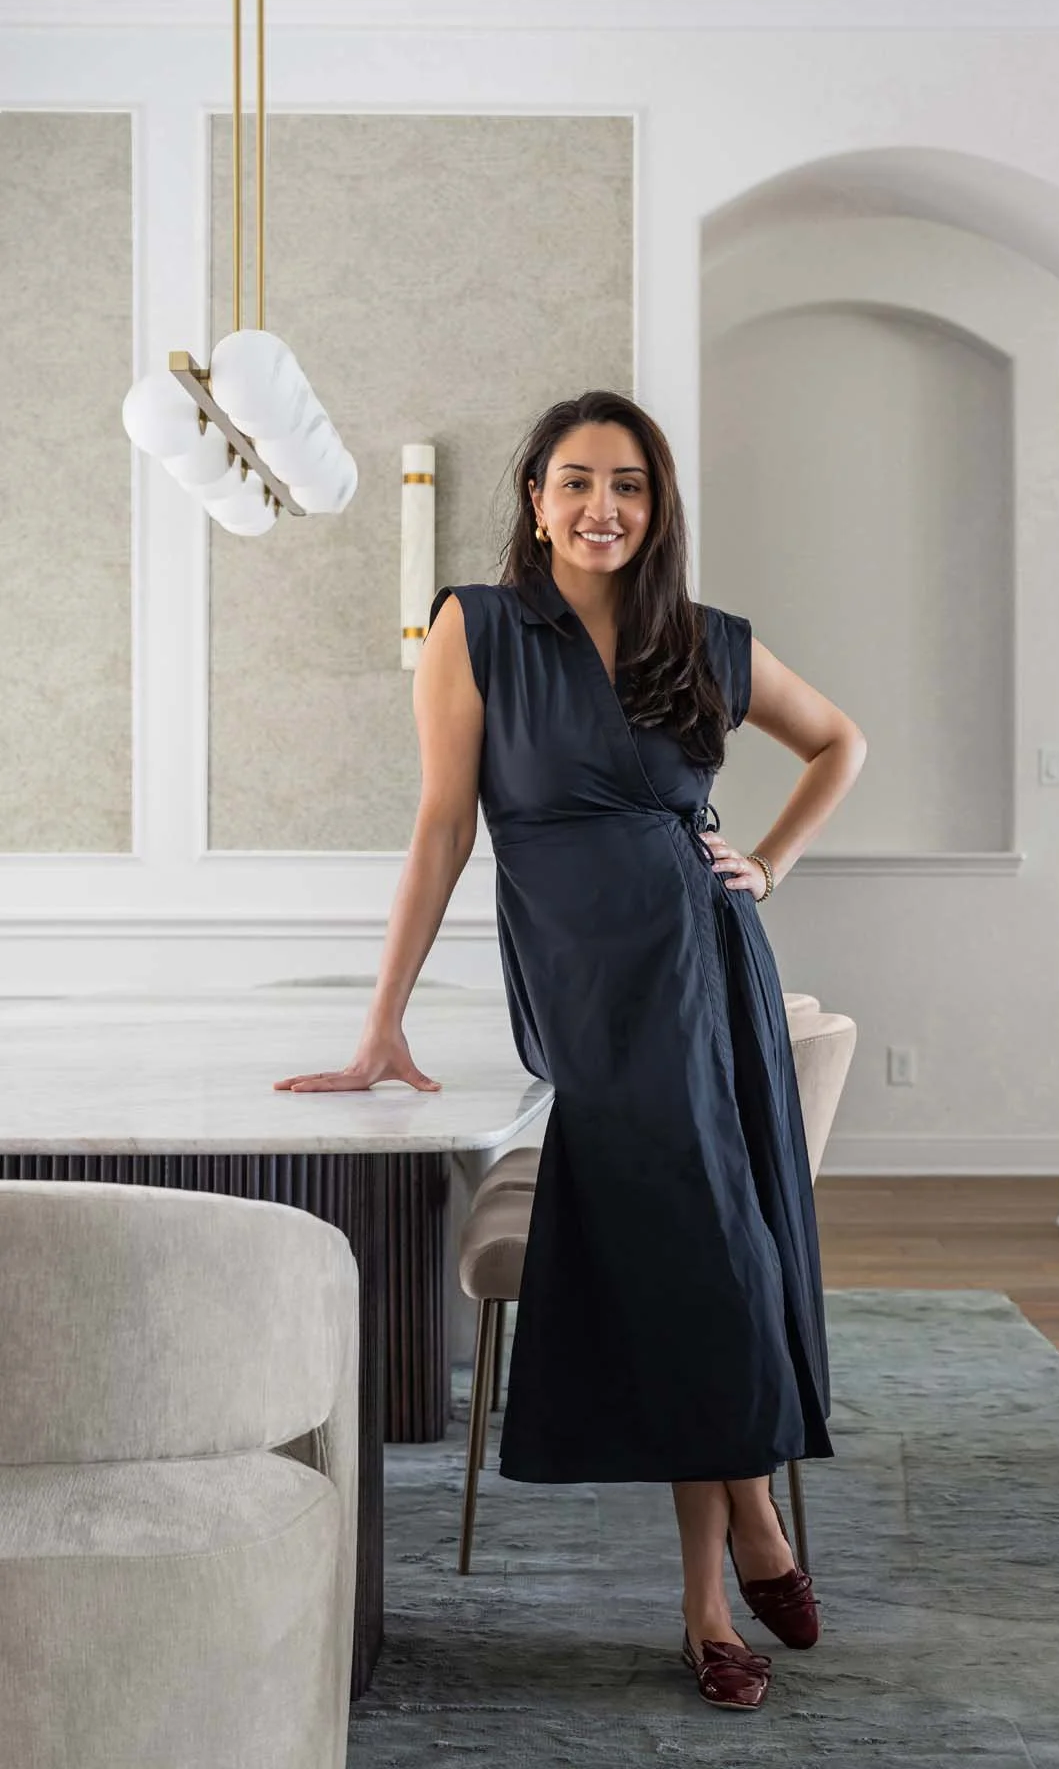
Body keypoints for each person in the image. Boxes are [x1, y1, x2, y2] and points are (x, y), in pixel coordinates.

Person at [275, 390, 867, 1711]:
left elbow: (840, 741)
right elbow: (443, 829)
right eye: (579, 481)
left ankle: (711, 1603)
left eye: (633, 486)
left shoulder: (705, 643)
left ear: (657, 509)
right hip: (591, 999)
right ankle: (754, 1522)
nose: (605, 506)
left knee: (705, 1255)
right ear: (535, 498)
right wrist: (385, 1022)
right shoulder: (473, 629)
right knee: (699, 1254)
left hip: (711, 976)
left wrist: (766, 861)